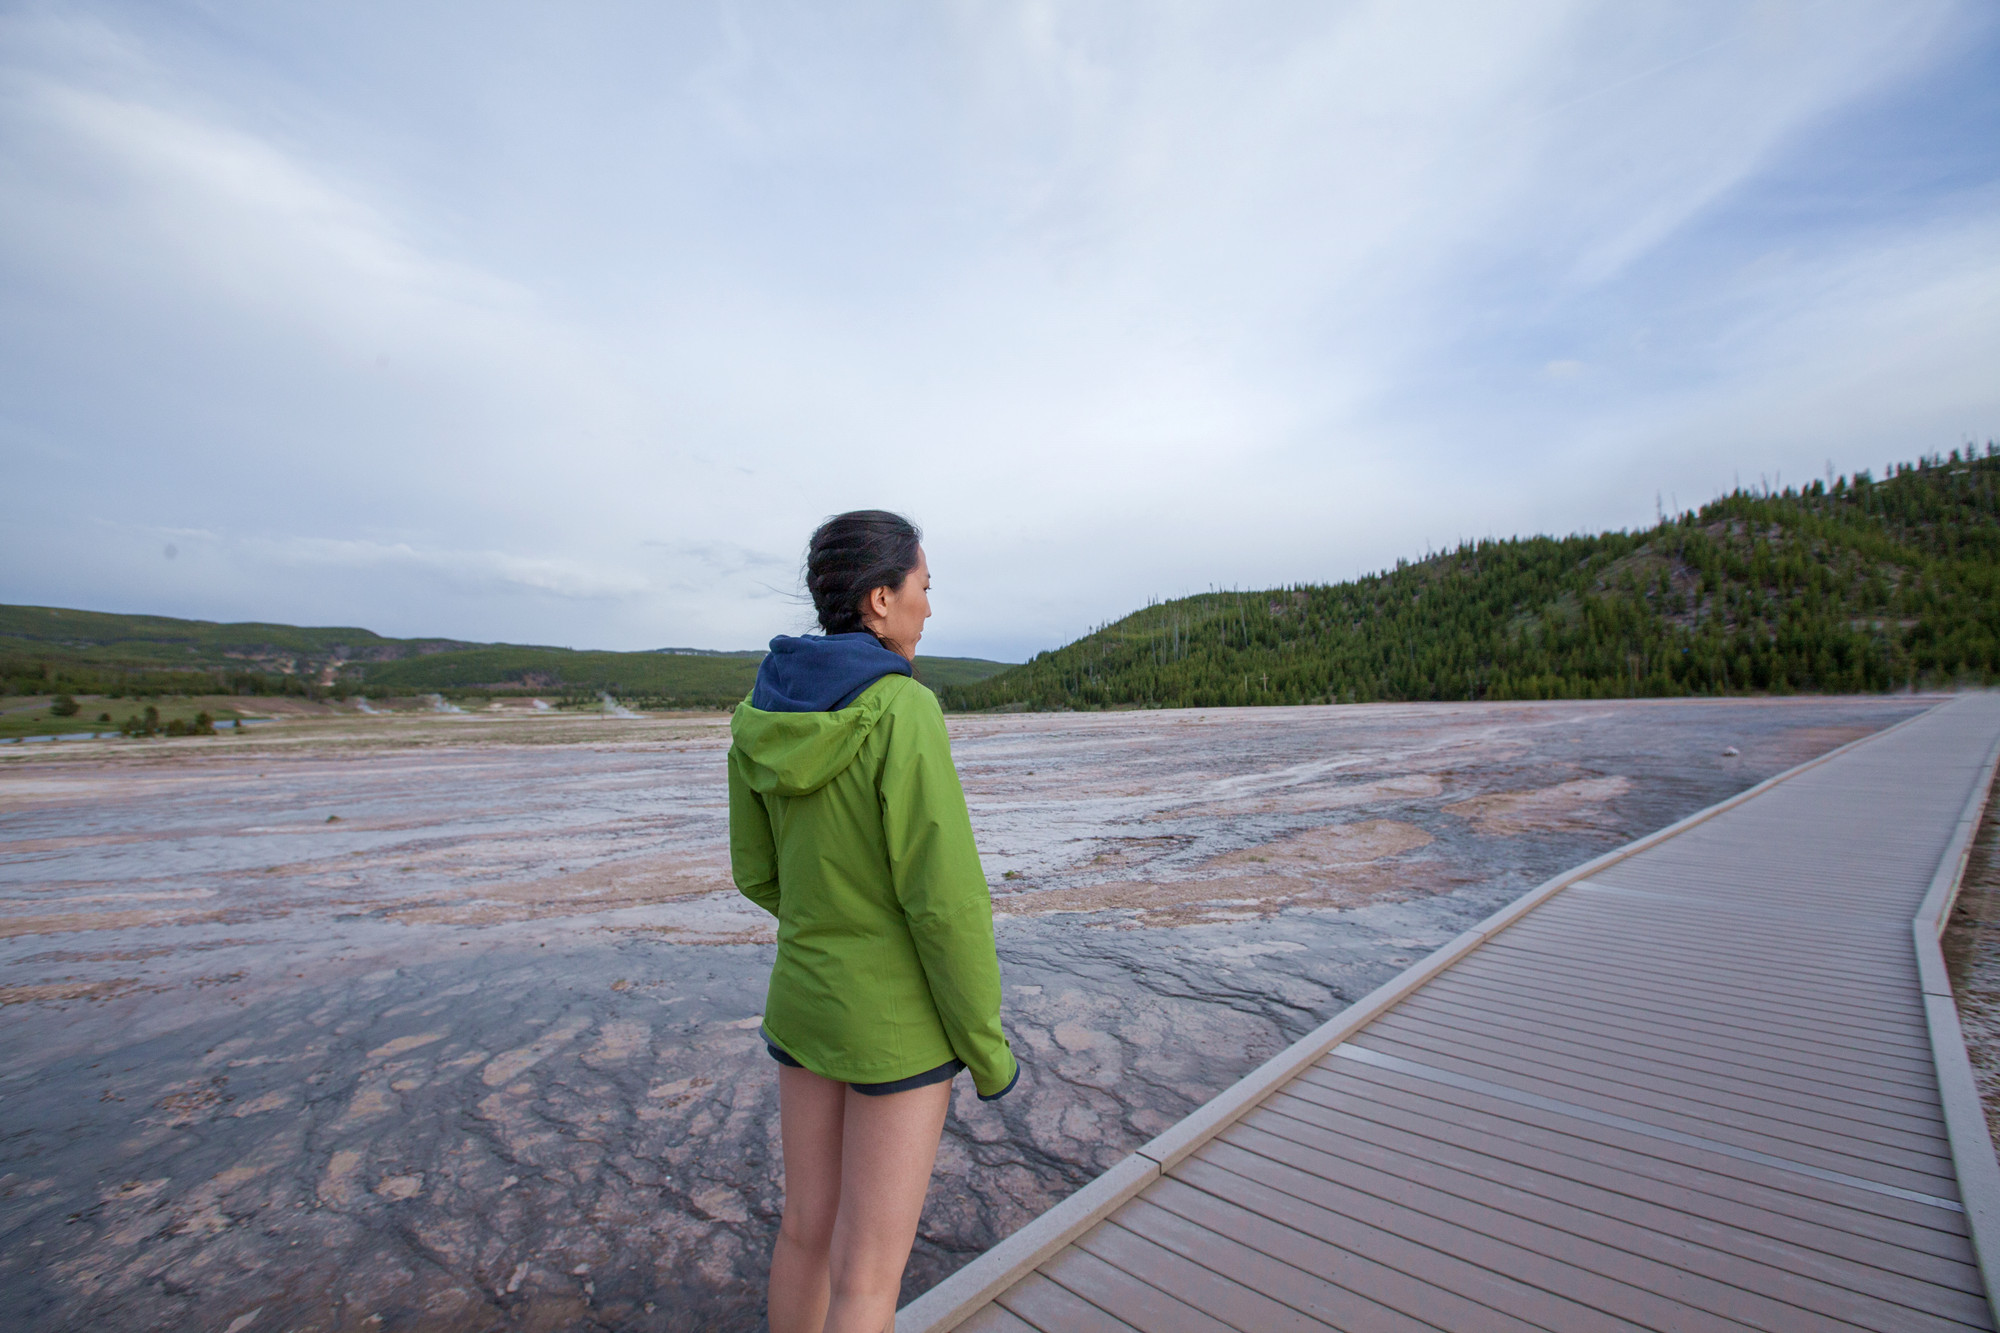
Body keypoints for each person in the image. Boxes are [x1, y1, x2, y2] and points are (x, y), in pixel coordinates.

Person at [728, 509, 1018, 1333]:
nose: (931, 606)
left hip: (803, 1003)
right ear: (881, 599)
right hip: (894, 1028)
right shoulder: (903, 709)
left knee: (802, 1234)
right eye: (925, 587)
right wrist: (988, 1051)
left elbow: (756, 871)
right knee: (867, 1277)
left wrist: (829, 923)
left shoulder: (761, 710)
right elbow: (947, 906)